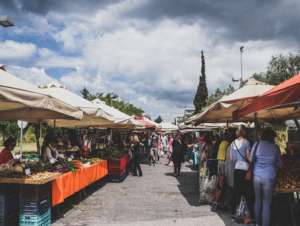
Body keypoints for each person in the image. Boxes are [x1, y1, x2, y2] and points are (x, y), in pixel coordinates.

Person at [250, 128, 283, 226]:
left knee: (258, 200)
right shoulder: (275, 147)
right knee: (266, 203)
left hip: (256, 176)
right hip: (269, 177)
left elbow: (251, 159)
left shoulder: (256, 144)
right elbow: (280, 164)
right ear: (272, 137)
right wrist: (274, 165)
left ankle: (257, 224)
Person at [230, 125, 255, 224]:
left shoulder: (232, 143)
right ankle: (251, 215)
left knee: (236, 192)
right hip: (245, 170)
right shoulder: (247, 142)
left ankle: (233, 213)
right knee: (248, 193)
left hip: (237, 170)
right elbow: (249, 158)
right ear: (245, 132)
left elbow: (231, 159)